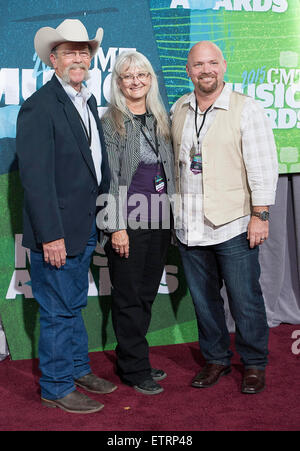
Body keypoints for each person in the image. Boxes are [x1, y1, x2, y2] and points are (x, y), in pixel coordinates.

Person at [16, 19, 117, 414]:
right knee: (58, 310)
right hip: (56, 232)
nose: (78, 58)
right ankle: (56, 386)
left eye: (83, 51)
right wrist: (51, 236)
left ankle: (77, 368)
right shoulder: (39, 106)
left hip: (85, 225)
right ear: (52, 60)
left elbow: (93, 165)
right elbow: (36, 180)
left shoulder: (86, 99)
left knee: (73, 304)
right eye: (68, 52)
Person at [170, 41, 278, 394]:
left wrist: (260, 215)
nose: (206, 70)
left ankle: (254, 363)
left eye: (212, 63)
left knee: (245, 299)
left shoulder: (247, 110)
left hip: (233, 224)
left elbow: (263, 167)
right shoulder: (179, 109)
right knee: (204, 301)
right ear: (188, 70)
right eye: (198, 64)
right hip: (190, 228)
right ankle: (216, 359)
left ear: (224, 66)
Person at [98, 51, 175, 395]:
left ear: (150, 79)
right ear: (118, 82)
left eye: (141, 75)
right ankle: (134, 369)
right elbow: (110, 178)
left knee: (145, 293)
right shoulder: (112, 120)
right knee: (128, 296)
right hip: (128, 221)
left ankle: (133, 357)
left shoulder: (160, 117)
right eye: (128, 76)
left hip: (160, 219)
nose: (135, 81)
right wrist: (116, 226)